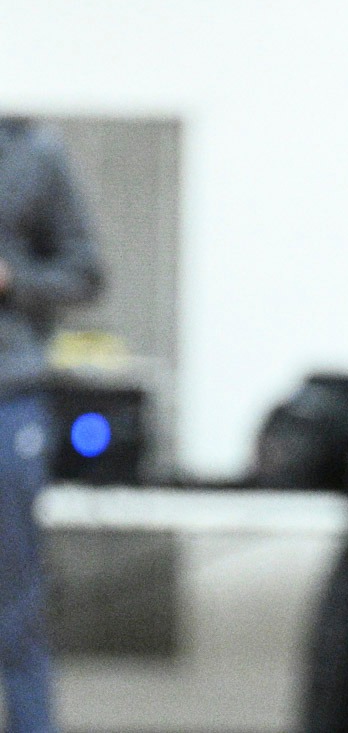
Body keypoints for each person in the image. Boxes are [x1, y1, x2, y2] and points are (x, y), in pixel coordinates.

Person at [0, 117, 103, 733]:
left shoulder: (31, 154)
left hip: (9, 397)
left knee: (15, 602)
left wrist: (13, 280)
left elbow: (85, 271)